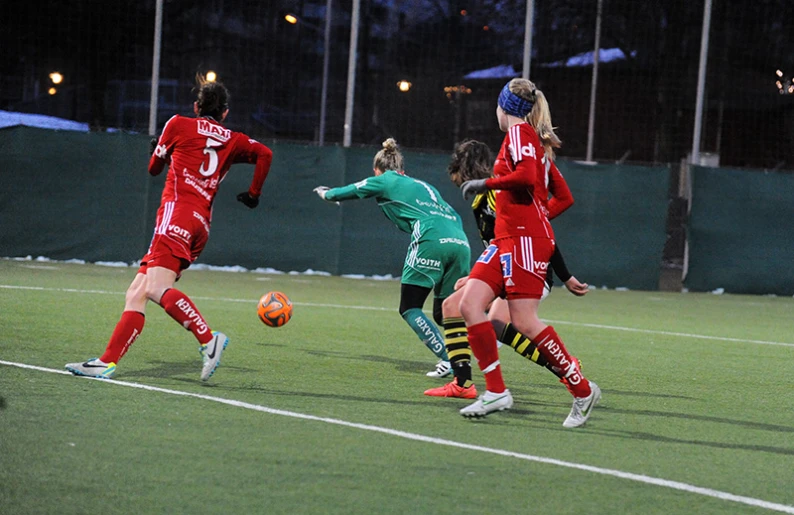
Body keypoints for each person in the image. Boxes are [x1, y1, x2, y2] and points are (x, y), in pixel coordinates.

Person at [65, 75, 273, 381]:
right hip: (200, 223)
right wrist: (254, 194)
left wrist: (158, 150)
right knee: (136, 292)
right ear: (225, 113)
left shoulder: (178, 123)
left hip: (176, 213)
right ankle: (106, 362)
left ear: (196, 105)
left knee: (156, 288)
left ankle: (208, 339)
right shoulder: (233, 139)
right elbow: (265, 153)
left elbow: (154, 169)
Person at [456, 78, 600, 428]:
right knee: (468, 304)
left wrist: (486, 183)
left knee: (523, 321)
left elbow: (524, 176)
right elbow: (550, 191)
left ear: (503, 107)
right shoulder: (523, 137)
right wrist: (534, 217)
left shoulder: (519, 134)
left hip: (521, 240)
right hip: (507, 239)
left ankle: (581, 390)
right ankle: (496, 391)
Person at [424, 140, 588, 400]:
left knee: (498, 323)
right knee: (455, 309)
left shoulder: (497, 192)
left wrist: (565, 276)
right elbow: (496, 246)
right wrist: (475, 276)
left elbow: (540, 232)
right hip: (506, 267)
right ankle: (463, 384)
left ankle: (565, 368)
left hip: (529, 268)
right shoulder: (483, 199)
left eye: (455, 170)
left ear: (465, 170)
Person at [313, 138, 470, 376]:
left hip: (430, 238)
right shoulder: (425, 186)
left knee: (410, 307)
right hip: (460, 241)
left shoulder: (385, 179)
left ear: (377, 170)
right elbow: (454, 215)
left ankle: (448, 359)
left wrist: (328, 194)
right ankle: (488, 331)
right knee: (443, 313)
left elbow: (354, 190)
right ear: (402, 169)